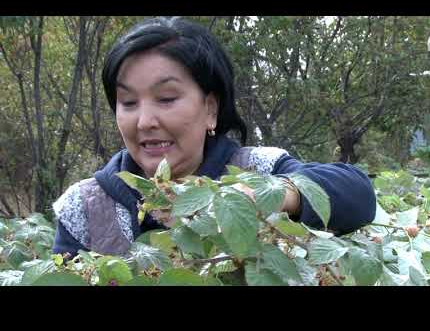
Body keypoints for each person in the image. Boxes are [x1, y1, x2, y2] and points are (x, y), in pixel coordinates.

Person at [52, 17, 376, 258]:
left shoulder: (258, 169)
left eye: (166, 98)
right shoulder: (85, 207)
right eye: (129, 102)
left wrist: (268, 197)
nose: (145, 121)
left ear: (210, 108)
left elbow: (357, 193)